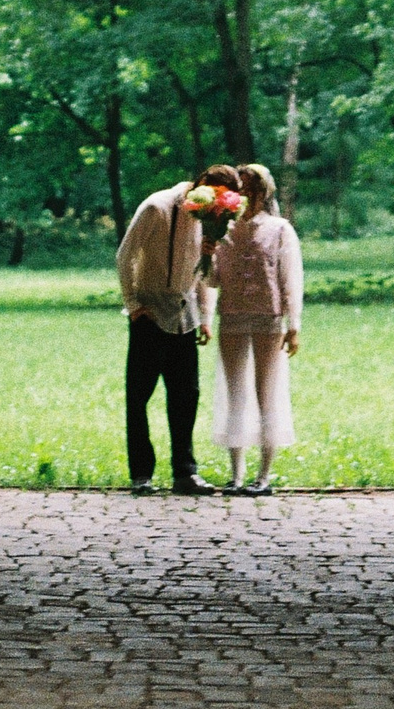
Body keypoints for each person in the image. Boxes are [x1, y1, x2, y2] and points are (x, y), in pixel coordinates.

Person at [114, 164, 240, 495]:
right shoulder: (158, 207)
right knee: (139, 395)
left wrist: (205, 317)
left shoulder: (211, 220)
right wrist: (133, 305)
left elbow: (205, 276)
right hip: (150, 313)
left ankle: (185, 472)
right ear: (204, 186)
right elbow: (125, 255)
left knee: (186, 396)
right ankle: (141, 474)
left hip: (185, 315)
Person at [210, 162, 302, 495]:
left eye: (249, 187)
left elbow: (290, 279)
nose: (243, 193)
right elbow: (212, 279)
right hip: (233, 315)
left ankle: (264, 475)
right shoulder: (224, 229)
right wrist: (206, 255)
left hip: (268, 316)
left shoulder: (279, 229)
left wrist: (295, 324)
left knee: (268, 392)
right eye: (239, 188)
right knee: (235, 392)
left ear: (263, 192)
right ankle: (236, 473)